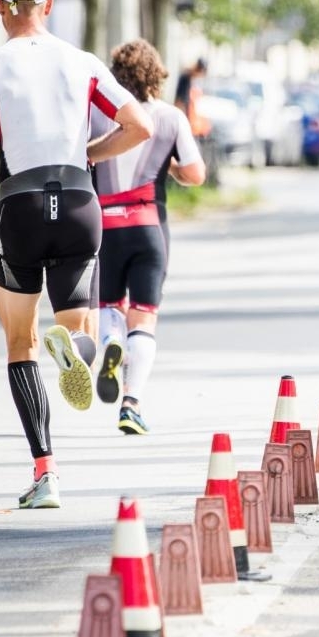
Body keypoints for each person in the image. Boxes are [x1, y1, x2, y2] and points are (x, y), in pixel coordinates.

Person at [0, 0, 153, 508]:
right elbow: (140, 127)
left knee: (20, 342)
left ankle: (45, 474)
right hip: (81, 203)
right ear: (48, 6)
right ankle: (95, 345)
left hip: (22, 206)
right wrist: (90, 153)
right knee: (72, 326)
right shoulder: (81, 63)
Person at [93, 39, 206, 435]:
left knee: (109, 305)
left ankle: (111, 341)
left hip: (105, 225)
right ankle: (131, 404)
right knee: (145, 317)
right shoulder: (171, 119)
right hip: (148, 226)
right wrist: (170, 168)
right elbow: (196, 174)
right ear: (156, 74)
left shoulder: (96, 117)